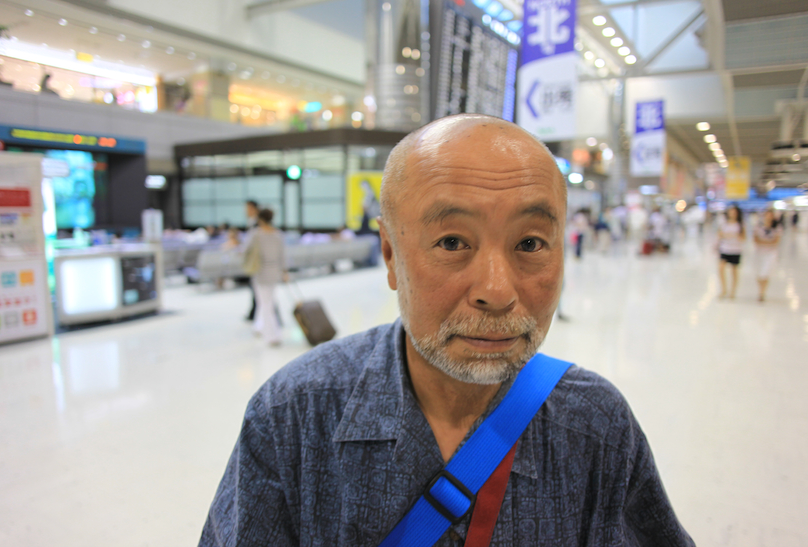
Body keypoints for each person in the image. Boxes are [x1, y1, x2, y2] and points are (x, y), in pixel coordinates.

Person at [199, 115, 693, 546]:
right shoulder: (294, 416)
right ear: (390, 254)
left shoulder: (596, 426)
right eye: (453, 242)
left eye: (530, 243)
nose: (496, 291)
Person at [248, 208, 286, 344]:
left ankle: (272, 335)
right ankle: (258, 326)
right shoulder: (277, 234)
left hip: (261, 272)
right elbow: (282, 255)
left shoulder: (256, 234)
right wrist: (284, 272)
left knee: (266, 304)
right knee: (266, 301)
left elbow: (247, 250)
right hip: (274, 272)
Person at [716, 204, 744, 299]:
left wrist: (735, 236)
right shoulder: (724, 223)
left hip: (735, 250)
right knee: (721, 268)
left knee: (734, 271)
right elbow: (719, 234)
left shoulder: (739, 225)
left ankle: (733, 291)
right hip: (725, 249)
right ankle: (723, 289)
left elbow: (743, 237)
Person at [753, 209, 781, 302]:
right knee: (759, 273)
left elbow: (776, 241)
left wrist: (764, 242)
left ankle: (762, 293)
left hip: (771, 253)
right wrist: (768, 242)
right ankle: (760, 289)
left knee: (766, 273)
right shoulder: (758, 226)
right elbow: (756, 239)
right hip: (760, 253)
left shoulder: (777, 227)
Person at [244, 200, 260, 321]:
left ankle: (255, 313)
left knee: (260, 291)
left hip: (258, 262)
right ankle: (254, 313)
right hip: (256, 262)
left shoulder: (257, 225)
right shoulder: (252, 223)